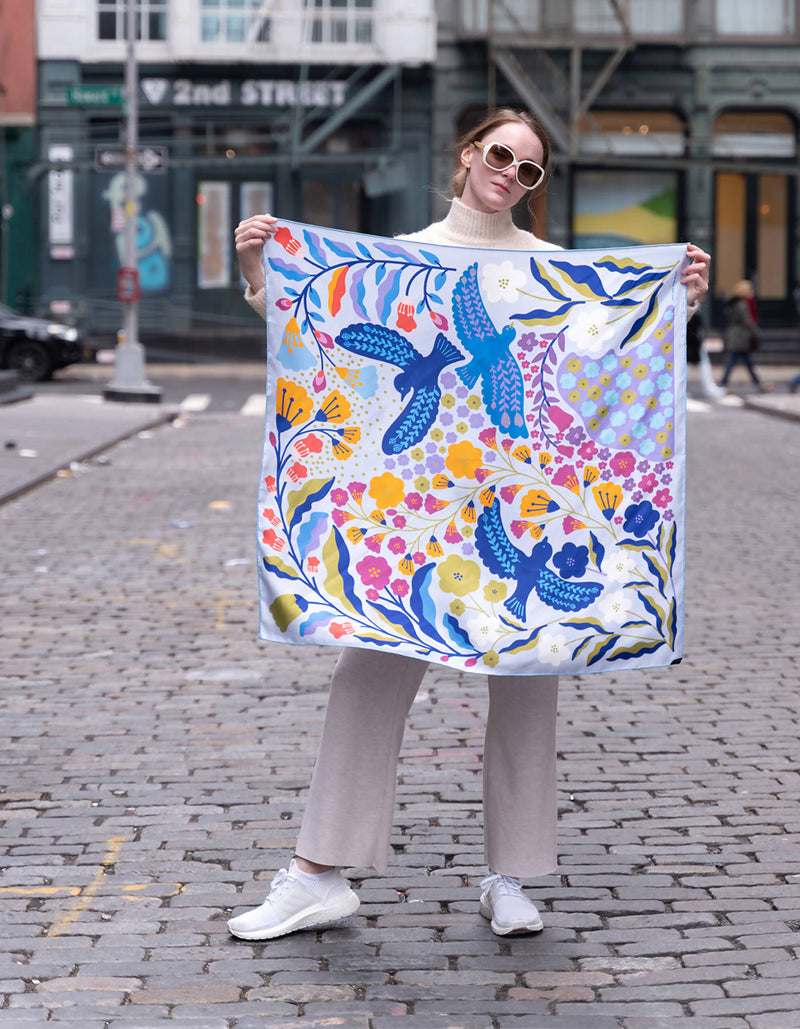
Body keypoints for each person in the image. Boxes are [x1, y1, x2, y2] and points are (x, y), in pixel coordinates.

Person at [228, 108, 712, 942]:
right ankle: (316, 873)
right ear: (467, 155)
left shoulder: (553, 271)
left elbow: (602, 367)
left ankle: (511, 876)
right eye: (501, 156)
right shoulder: (403, 256)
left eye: (530, 170)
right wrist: (258, 272)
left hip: (517, 506)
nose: (511, 176)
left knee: (529, 673)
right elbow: (335, 338)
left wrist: (673, 306)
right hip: (419, 508)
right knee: (369, 671)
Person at [719, 279, 773, 393]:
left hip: (737, 337)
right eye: (750, 289)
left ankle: (724, 383)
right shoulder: (742, 304)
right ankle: (757, 384)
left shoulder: (735, 303)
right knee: (739, 361)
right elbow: (747, 321)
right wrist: (757, 332)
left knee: (743, 362)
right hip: (740, 338)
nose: (752, 292)